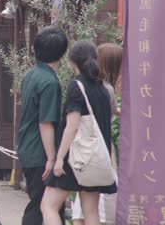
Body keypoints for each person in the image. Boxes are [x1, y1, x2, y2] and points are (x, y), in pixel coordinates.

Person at [41, 41, 117, 225]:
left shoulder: (77, 86)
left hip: (75, 155)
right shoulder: (103, 88)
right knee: (91, 212)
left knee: (48, 206)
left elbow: (72, 126)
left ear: (71, 62)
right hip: (95, 156)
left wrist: (59, 158)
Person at [17, 26, 68, 225]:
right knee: (44, 206)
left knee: (42, 203)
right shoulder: (50, 82)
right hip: (40, 152)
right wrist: (52, 157)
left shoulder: (31, 74)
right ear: (62, 53)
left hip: (28, 148)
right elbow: (45, 123)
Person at [72, 43, 122, 225]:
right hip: (102, 149)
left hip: (87, 148)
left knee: (84, 202)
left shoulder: (88, 85)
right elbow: (115, 111)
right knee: (99, 204)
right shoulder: (106, 89)